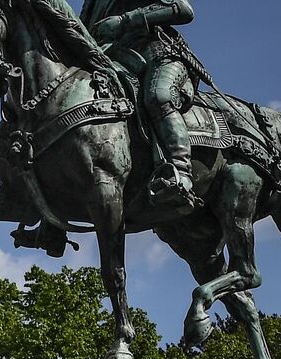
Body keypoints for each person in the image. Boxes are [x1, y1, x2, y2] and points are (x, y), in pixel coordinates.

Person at [80, 0, 207, 207]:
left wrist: (124, 21)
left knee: (159, 97)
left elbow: (183, 9)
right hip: (111, 61)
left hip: (158, 52)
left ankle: (179, 173)